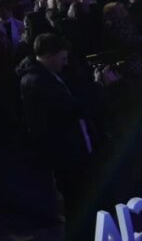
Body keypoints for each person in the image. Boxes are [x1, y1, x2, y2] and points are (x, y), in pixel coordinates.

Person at [18, 33, 114, 231]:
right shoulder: (38, 82)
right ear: (50, 56)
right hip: (66, 156)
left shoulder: (46, 76)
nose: (66, 62)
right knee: (76, 206)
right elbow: (71, 110)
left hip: (71, 151)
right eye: (62, 58)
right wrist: (100, 84)